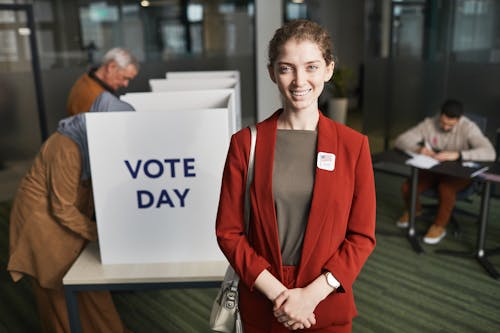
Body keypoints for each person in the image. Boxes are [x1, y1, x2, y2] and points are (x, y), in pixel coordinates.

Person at [215, 20, 376, 332]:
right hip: (265, 302)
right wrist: (281, 295)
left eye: (312, 67)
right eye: (286, 68)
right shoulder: (246, 144)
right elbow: (229, 232)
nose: (299, 80)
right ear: (272, 72)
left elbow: (361, 236)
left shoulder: (353, 147)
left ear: (328, 69)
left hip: (325, 304)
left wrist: (310, 296)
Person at [7, 92, 134, 333]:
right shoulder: (67, 146)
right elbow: (61, 206)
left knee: (88, 285)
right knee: (57, 288)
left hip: (65, 218)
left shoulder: (88, 141)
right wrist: (100, 233)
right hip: (41, 223)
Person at [394, 99, 496, 244]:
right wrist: (419, 149)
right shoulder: (429, 124)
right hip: (436, 166)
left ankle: (439, 225)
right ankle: (414, 210)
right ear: (440, 115)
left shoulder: (469, 127)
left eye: (450, 125)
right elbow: (401, 140)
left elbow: (489, 152)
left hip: (460, 171)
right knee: (408, 187)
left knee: (445, 188)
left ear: (459, 120)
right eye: (443, 123)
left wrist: (458, 154)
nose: (445, 127)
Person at [66, 47, 139, 115]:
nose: (125, 84)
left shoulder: (87, 81)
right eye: (125, 78)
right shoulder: (92, 96)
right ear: (111, 67)